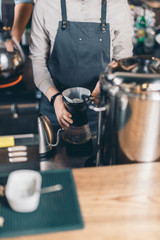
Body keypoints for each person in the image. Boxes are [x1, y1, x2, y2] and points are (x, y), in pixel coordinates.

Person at [30, 0, 134, 132]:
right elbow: (38, 60)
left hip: (100, 109)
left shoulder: (118, 5)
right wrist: (55, 98)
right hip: (55, 109)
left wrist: (106, 82)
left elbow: (123, 62)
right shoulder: (46, 4)